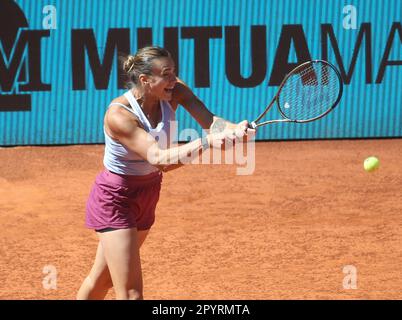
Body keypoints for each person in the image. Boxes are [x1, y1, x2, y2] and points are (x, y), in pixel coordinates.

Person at [76, 46, 254, 300]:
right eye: (166, 74)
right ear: (145, 80)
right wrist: (206, 142)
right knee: (131, 293)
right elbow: (160, 159)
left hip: (148, 193)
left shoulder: (175, 92)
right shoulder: (119, 116)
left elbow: (211, 121)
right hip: (116, 198)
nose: (174, 80)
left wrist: (235, 129)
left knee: (102, 279)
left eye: (174, 73)